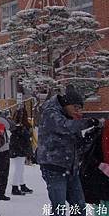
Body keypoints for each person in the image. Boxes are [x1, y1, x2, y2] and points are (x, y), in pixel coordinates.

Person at [38, 85, 99, 215]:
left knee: (79, 207)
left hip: (71, 169)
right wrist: (87, 122)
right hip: (54, 167)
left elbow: (78, 146)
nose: (78, 111)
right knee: (59, 208)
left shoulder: (69, 117)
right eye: (75, 107)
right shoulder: (51, 113)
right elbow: (64, 126)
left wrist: (90, 137)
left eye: (80, 109)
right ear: (66, 103)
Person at [9, 107, 33, 196]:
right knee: (19, 169)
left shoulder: (14, 126)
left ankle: (22, 185)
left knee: (20, 168)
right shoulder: (22, 127)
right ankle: (15, 187)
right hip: (20, 150)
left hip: (16, 149)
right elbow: (26, 137)